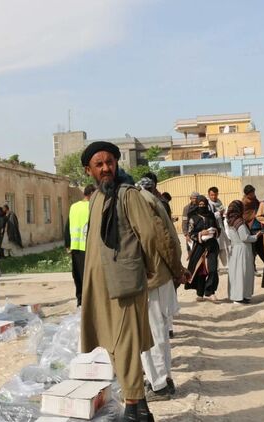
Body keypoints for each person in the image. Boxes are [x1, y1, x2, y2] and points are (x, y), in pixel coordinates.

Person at [80, 141, 184, 421]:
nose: (106, 168)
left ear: (116, 164)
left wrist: (148, 272)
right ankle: (141, 409)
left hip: (125, 283)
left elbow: (149, 236)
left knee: (125, 343)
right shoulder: (97, 198)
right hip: (101, 285)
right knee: (112, 343)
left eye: (110, 162)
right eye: (99, 164)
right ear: (89, 170)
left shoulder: (128, 194)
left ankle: (133, 406)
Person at [137, 184, 187, 402]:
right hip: (159, 277)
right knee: (159, 334)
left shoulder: (140, 203)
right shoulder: (150, 199)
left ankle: (159, 386)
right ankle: (163, 379)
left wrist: (177, 270)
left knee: (152, 336)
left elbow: (163, 241)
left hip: (152, 280)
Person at [185, 196, 221, 303]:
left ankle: (210, 292)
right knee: (201, 271)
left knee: (212, 269)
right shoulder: (193, 217)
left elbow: (218, 229)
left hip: (212, 246)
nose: (202, 206)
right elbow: (191, 233)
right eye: (200, 204)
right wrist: (201, 233)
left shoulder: (211, 215)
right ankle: (200, 293)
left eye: (204, 204)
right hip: (199, 247)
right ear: (197, 205)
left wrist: (214, 231)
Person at [64, 184, 95, 307]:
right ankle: (89, 302)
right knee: (89, 276)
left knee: (77, 275)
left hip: (75, 246)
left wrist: (67, 244)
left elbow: (68, 226)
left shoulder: (74, 207)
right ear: (91, 194)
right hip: (88, 247)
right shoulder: (92, 207)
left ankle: (80, 301)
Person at [226, 200, 261, 303]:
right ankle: (241, 297)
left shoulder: (230, 221)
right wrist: (256, 236)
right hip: (242, 250)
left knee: (237, 274)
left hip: (235, 250)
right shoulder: (239, 222)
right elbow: (244, 237)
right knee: (242, 273)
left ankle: (238, 296)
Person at [242, 185, 264, 274]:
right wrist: (252, 216)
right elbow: (245, 215)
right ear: (247, 194)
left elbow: (258, 207)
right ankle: (253, 268)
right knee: (253, 250)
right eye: (252, 193)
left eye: (254, 192)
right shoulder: (244, 203)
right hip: (250, 228)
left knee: (261, 249)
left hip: (258, 226)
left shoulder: (255, 200)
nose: (253, 194)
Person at [207, 186, 229, 267]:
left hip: (220, 227)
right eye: (212, 195)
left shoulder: (219, 202)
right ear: (209, 195)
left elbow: (221, 214)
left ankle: (222, 266)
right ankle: (215, 267)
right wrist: (218, 213)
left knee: (222, 248)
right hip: (212, 229)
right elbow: (209, 216)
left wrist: (223, 214)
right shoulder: (208, 204)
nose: (214, 197)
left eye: (215, 195)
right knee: (214, 249)